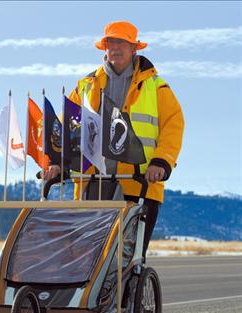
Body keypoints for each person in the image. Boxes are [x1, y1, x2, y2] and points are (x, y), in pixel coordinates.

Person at [43, 21, 184, 259]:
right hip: (92, 181)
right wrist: (56, 160)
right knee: (86, 257)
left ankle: (127, 295)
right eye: (110, 43)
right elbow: (66, 127)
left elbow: (174, 124)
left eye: (122, 42)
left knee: (127, 257)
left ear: (134, 48)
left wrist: (161, 161)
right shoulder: (86, 86)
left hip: (139, 182)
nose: (115, 48)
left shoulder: (156, 87)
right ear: (104, 48)